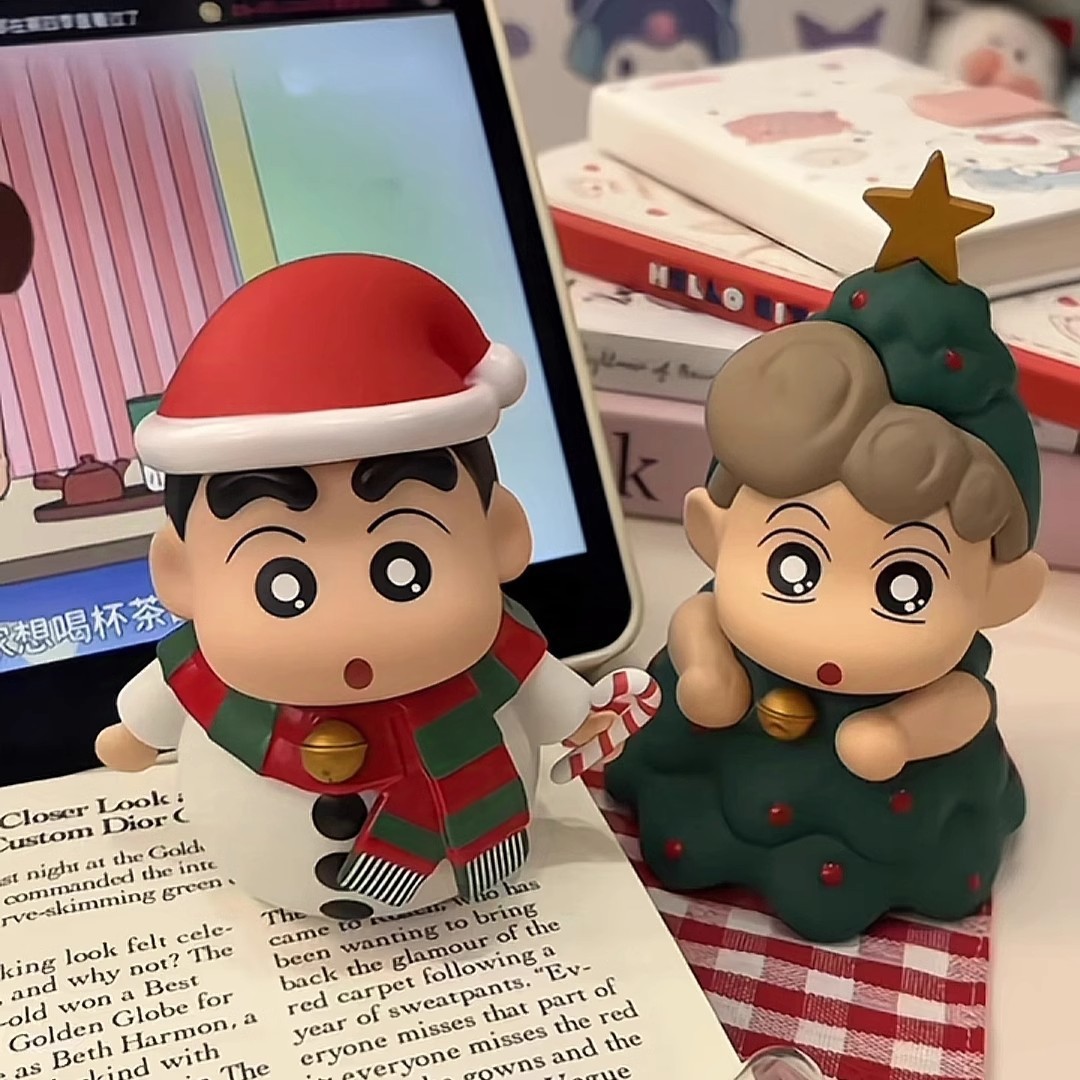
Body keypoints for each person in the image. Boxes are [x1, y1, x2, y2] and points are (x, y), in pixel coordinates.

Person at [96, 253, 618, 921]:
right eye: (283, 584)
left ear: (501, 537)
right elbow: (153, 712)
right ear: (180, 573)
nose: (349, 626)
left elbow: (557, 702)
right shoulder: (200, 679)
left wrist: (586, 717)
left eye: (404, 568)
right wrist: (137, 738)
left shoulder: (501, 659)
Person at [605, 153, 1047, 942]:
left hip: (880, 809)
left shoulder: (939, 677)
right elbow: (699, 620)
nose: (836, 629)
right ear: (714, 532)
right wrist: (706, 670)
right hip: (725, 758)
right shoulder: (724, 612)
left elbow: (963, 704)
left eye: (906, 586)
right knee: (686, 824)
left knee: (849, 879)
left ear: (1001, 594)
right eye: (794, 564)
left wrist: (901, 734)